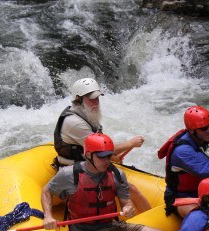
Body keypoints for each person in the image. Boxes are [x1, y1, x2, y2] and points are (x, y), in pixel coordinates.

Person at [41, 133, 166, 231]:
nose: (107, 160)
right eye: (102, 156)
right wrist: (48, 216)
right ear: (88, 155)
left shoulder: (117, 174)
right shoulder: (69, 175)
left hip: (111, 226)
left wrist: (128, 208)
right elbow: (46, 191)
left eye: (109, 155)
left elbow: (126, 201)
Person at [53, 77, 150, 212]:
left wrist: (113, 157)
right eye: (92, 99)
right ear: (78, 99)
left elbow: (100, 145)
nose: (96, 103)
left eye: (97, 99)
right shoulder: (74, 122)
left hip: (89, 164)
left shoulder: (86, 114)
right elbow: (102, 147)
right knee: (130, 189)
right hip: (75, 171)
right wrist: (130, 143)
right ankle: (149, 219)